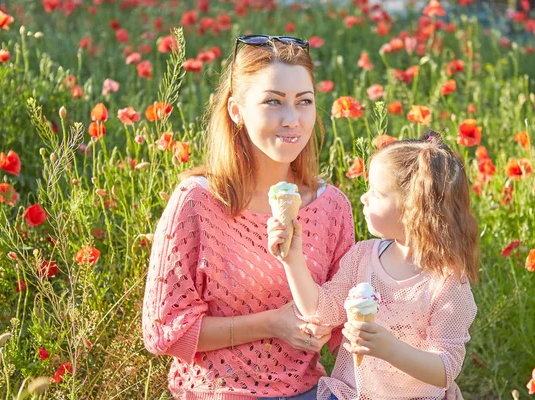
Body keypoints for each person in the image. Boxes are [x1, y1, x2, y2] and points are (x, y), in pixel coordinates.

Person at [141, 35, 356, 399]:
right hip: (217, 392)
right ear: (236, 110)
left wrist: (329, 325)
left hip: (308, 391)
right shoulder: (197, 202)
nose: (293, 119)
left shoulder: (332, 206)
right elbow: (165, 331)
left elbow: (343, 327)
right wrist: (273, 324)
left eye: (304, 102)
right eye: (273, 102)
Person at [268, 131, 480, 399]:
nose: (363, 199)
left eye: (377, 194)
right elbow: (319, 310)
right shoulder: (362, 257)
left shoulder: (446, 282)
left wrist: (389, 348)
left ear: (413, 210)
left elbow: (446, 368)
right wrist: (292, 258)